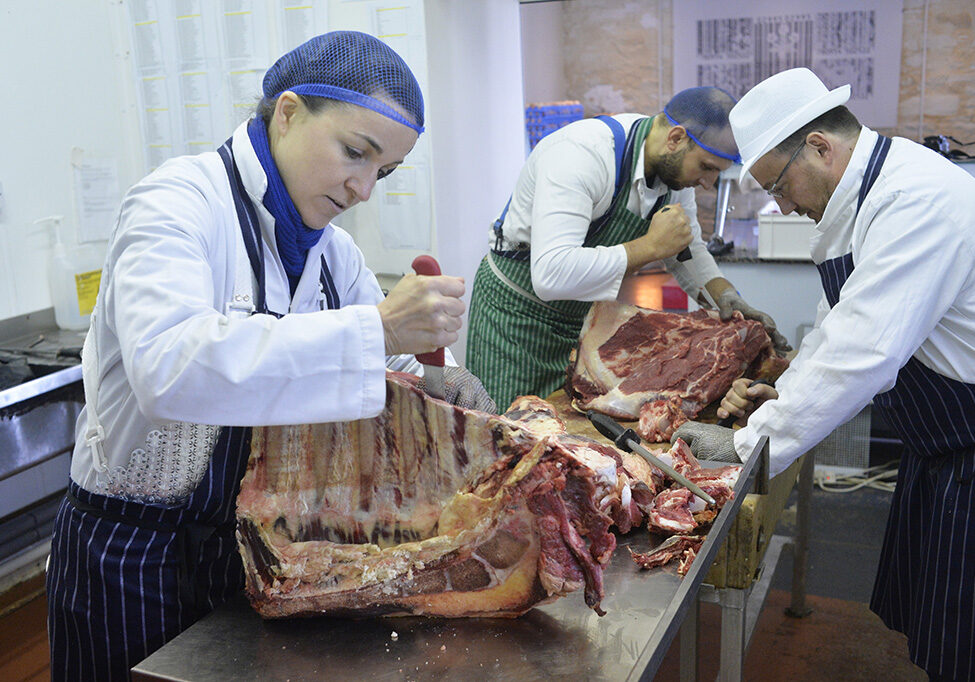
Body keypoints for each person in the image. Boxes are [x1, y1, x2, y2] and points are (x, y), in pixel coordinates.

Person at [45, 31, 494, 682]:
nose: (364, 187)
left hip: (253, 545)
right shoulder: (178, 203)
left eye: (383, 172)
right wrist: (379, 332)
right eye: (355, 153)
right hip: (133, 550)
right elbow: (167, 369)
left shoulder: (333, 255)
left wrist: (436, 387)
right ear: (287, 112)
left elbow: (384, 371)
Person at [673, 67, 975, 681]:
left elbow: (862, 352)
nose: (782, 206)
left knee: (965, 640)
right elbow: (837, 323)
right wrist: (783, 386)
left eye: (779, 186)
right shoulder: (867, 192)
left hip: (968, 447)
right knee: (941, 628)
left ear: (820, 146)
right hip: (942, 446)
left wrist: (745, 446)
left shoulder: (915, 199)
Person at [465, 87, 790, 412]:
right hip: (514, 319)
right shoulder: (582, 154)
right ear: (676, 138)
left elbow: (686, 248)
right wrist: (648, 247)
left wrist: (726, 297)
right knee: (507, 437)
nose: (709, 183)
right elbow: (551, 274)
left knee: (563, 441)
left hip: (577, 321)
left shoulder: (672, 176)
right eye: (706, 167)